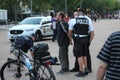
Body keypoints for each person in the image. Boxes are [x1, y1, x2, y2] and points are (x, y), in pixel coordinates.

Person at [68, 9, 94, 77]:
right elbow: (92, 32)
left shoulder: (73, 20)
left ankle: (81, 71)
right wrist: (89, 41)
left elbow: (70, 31)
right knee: (84, 55)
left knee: (79, 56)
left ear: (78, 14)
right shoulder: (88, 20)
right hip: (85, 39)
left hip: (78, 40)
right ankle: (85, 69)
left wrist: (70, 39)